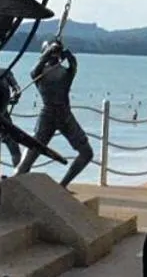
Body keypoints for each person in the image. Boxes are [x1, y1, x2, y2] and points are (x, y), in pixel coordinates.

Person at [15, 39, 93, 186]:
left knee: (87, 153)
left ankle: (62, 185)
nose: (54, 55)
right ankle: (12, 186)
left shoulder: (65, 73)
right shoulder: (39, 74)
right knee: (28, 160)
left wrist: (67, 54)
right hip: (48, 116)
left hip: (65, 115)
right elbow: (34, 71)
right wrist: (48, 52)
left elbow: (73, 65)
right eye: (52, 52)